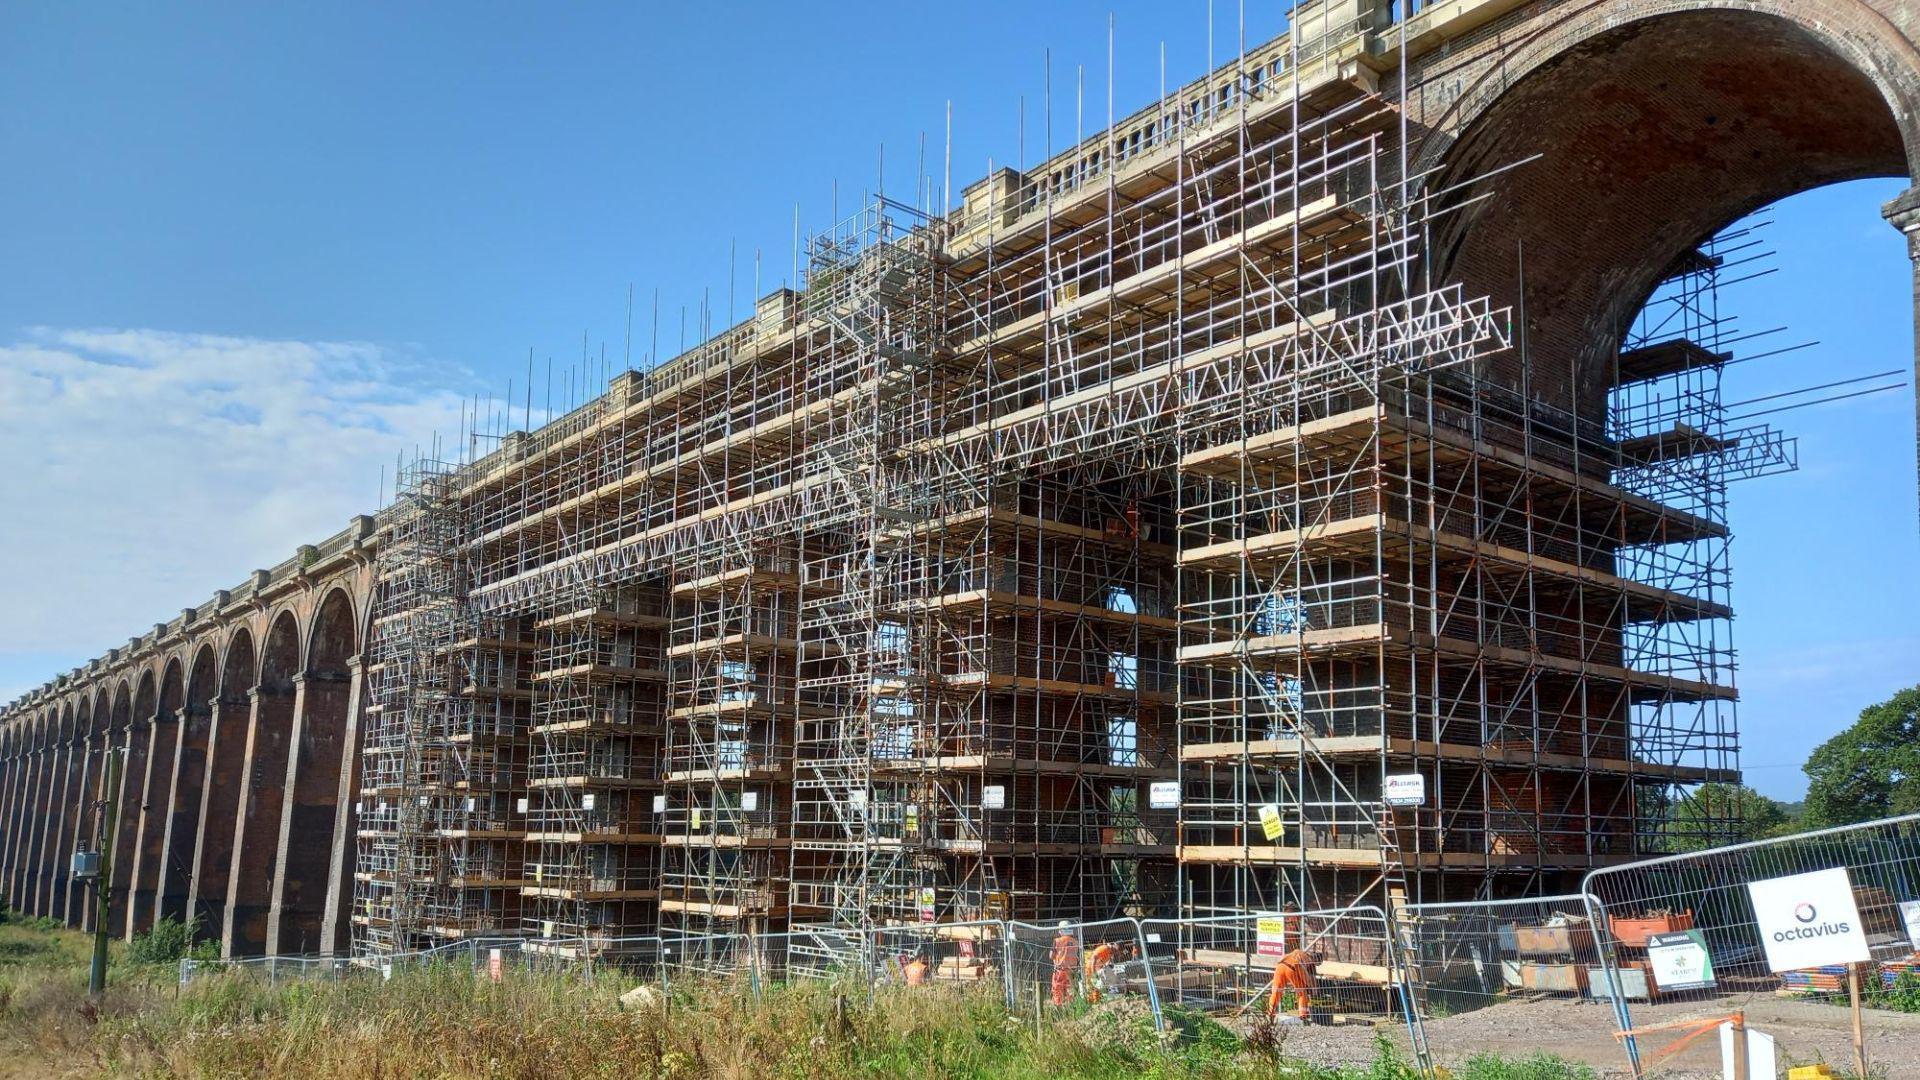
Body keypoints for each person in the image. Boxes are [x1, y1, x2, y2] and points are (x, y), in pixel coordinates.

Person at [1265, 947, 1318, 1022]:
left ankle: (1270, 1013)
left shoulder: (1297, 953)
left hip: (1280, 967)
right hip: (1292, 968)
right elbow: (1304, 975)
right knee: (1302, 992)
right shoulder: (1307, 960)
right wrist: (1311, 987)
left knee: (1276, 992)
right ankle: (1303, 1015)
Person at [1049, 922, 1079, 1007]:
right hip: (1072, 971)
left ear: (1061, 930)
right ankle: (1071, 1010)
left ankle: (1059, 1011)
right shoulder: (1075, 942)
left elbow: (1051, 956)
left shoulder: (1057, 941)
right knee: (1070, 992)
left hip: (1060, 971)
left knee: (1058, 991)